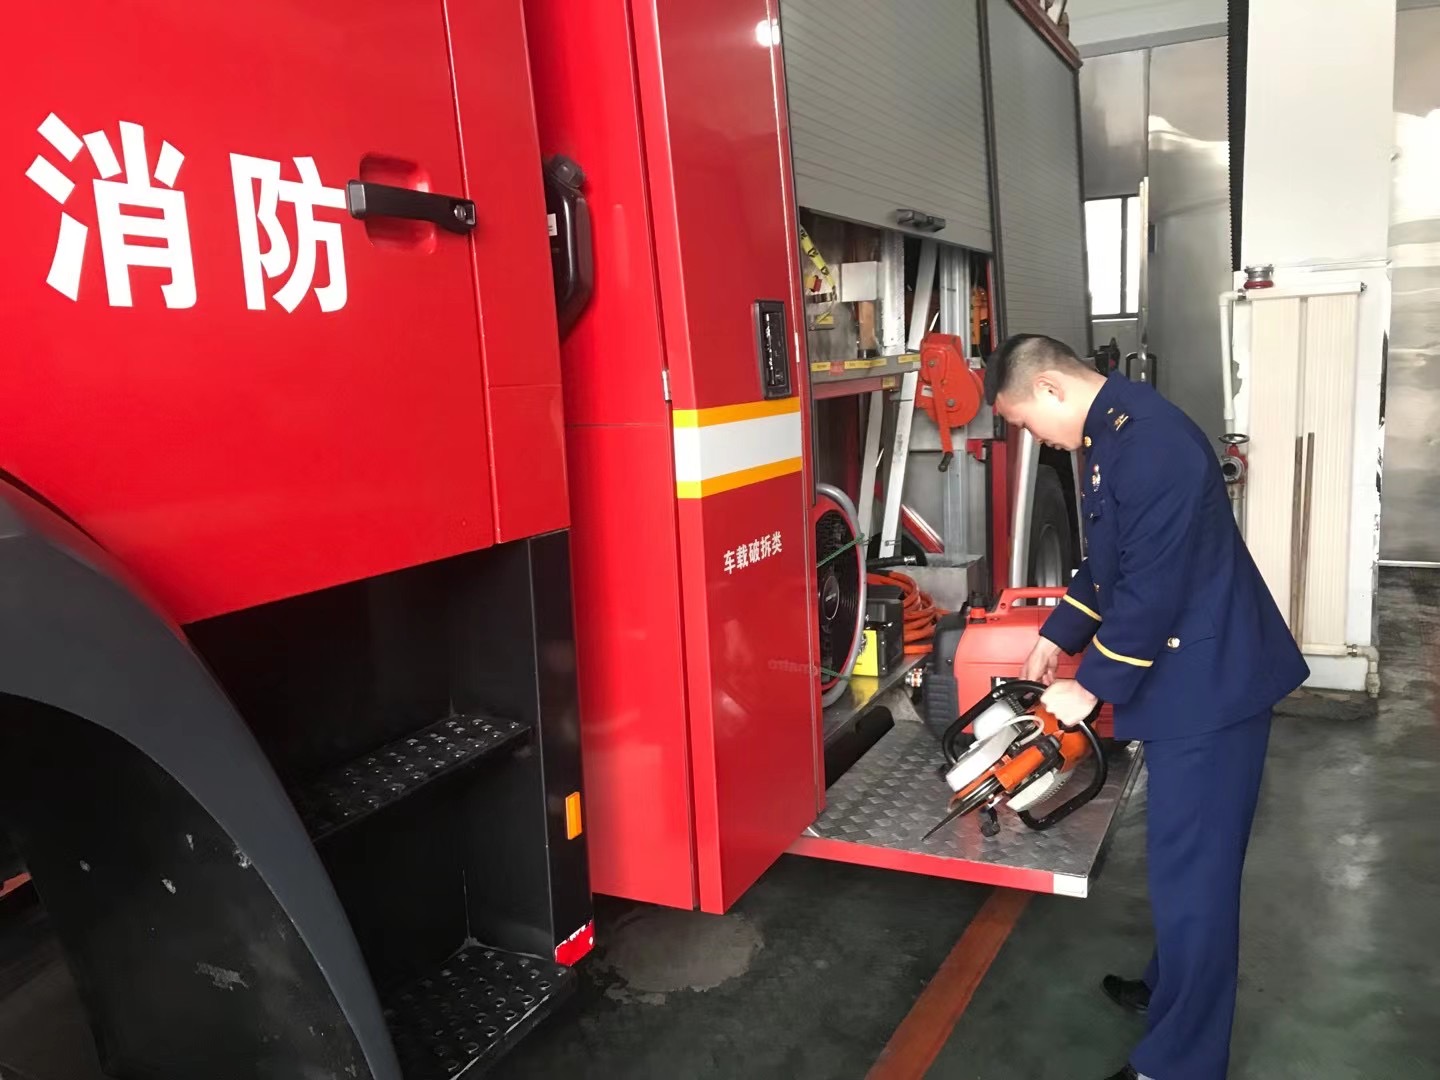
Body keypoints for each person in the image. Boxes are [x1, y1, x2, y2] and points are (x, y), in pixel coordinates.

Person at [985, 334, 1308, 1080]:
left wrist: (1089, 684)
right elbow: (1109, 562)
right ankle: (1171, 991)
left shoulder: (1149, 443)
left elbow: (1151, 588)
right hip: (1188, 678)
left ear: (1051, 389)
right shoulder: (1112, 434)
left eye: (1027, 422)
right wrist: (1057, 634)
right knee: (1182, 867)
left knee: (1195, 880)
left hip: (1210, 687)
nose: (1035, 437)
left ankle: (1180, 1063)